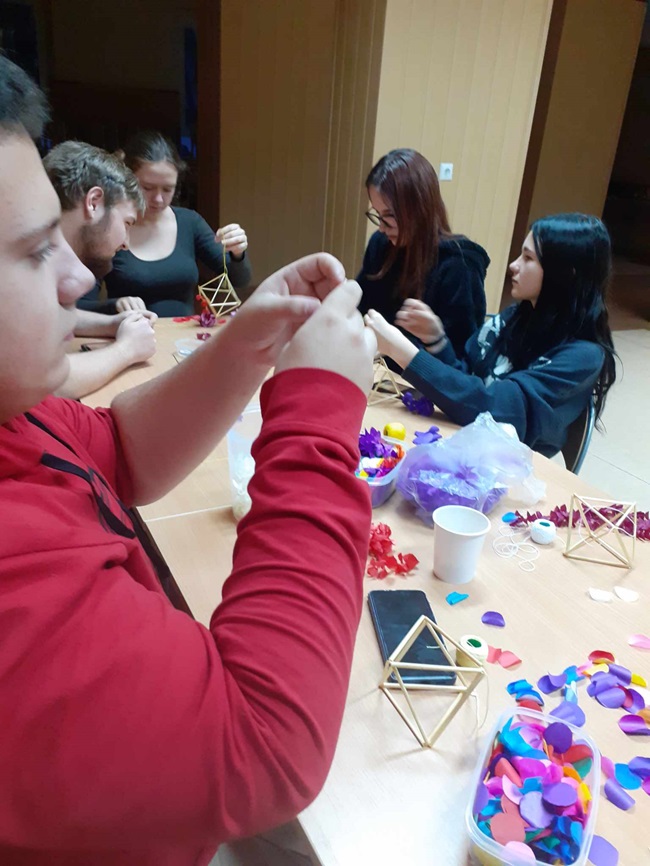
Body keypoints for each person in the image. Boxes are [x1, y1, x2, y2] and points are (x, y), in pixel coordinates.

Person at [0, 54, 377, 865]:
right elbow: (267, 744)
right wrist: (317, 417)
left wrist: (243, 345)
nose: (77, 276)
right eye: (33, 252)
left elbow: (115, 451)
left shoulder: (12, 411)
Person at [365, 213, 617, 458]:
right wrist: (437, 341)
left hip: (510, 463)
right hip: (467, 438)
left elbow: (493, 409)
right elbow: (469, 380)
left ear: (565, 273)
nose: (513, 266)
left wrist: (404, 353)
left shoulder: (583, 356)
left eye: (528, 258)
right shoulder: (516, 316)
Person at [43, 141, 157, 399]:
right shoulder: (19, 262)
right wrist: (126, 350)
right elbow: (41, 380)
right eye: (127, 223)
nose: (126, 243)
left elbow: (49, 315)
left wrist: (113, 324)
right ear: (94, 203)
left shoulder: (42, 257)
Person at [357, 148, 489, 357]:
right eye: (378, 214)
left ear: (420, 209)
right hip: (375, 365)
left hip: (422, 374)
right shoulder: (380, 244)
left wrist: (434, 339)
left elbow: (463, 359)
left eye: (389, 216)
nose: (381, 227)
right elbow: (362, 307)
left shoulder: (460, 265)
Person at [104, 131, 252, 316]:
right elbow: (81, 306)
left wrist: (237, 253)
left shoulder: (190, 222)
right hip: (130, 331)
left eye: (167, 189)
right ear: (128, 181)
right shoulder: (109, 227)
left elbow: (239, 280)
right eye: (147, 188)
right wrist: (115, 305)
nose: (158, 199)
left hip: (181, 332)